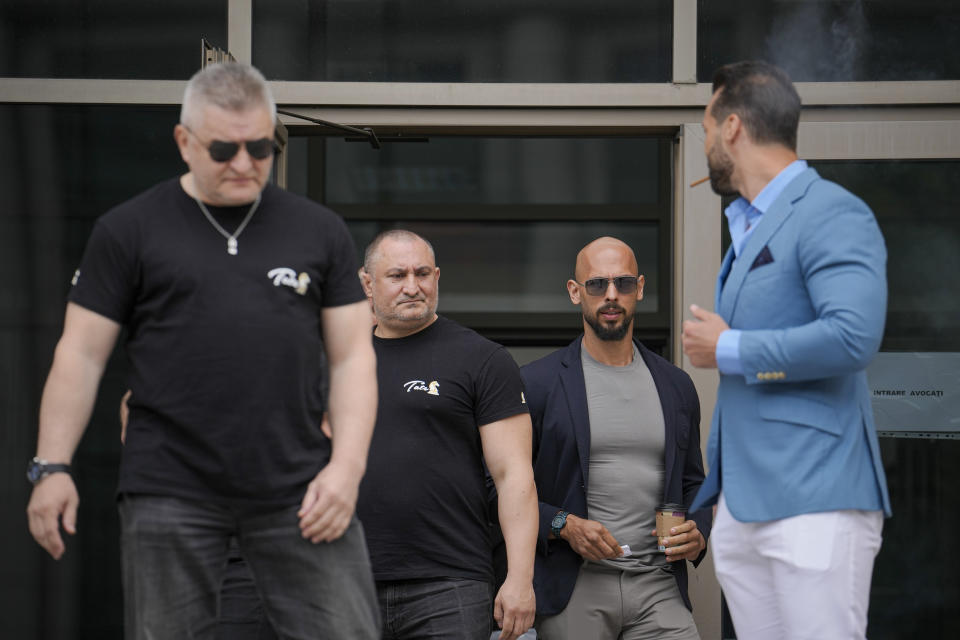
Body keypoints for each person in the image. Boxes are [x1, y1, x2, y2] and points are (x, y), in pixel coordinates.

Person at [25, 62, 380, 639]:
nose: (244, 163)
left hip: (297, 484)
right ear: (184, 142)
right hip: (170, 485)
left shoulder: (319, 231)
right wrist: (51, 467)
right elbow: (81, 355)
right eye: (223, 149)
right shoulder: (128, 230)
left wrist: (347, 469)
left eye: (260, 147)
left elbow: (352, 359)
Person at [682, 60, 890, 639]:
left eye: (704, 128)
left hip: (816, 498)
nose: (703, 144)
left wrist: (730, 348)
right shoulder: (746, 228)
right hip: (746, 505)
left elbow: (852, 337)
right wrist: (722, 491)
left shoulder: (832, 211)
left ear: (732, 128)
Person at [521, 236, 710, 640]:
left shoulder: (676, 386)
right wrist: (563, 524)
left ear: (639, 288)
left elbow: (694, 481)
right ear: (575, 292)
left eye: (623, 284)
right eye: (597, 284)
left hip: (659, 585)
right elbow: (500, 486)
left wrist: (698, 530)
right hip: (576, 586)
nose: (611, 295)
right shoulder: (538, 383)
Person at [357, 229, 538, 640]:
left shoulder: (481, 359)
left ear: (437, 276)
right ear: (367, 283)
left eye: (423, 273)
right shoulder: (338, 359)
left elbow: (514, 476)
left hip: (449, 585)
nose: (412, 286)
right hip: (345, 580)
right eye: (397, 275)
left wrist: (519, 579)